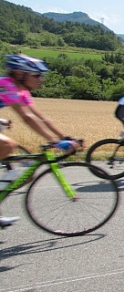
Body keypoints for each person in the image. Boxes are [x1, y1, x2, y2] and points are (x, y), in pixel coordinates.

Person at [0, 54, 79, 227]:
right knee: (8, 145)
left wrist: (65, 138)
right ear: (20, 73)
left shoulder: (21, 90)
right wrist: (54, 141)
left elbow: (41, 117)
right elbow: (26, 117)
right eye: (36, 75)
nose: (40, 79)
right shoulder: (6, 84)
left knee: (25, 178)